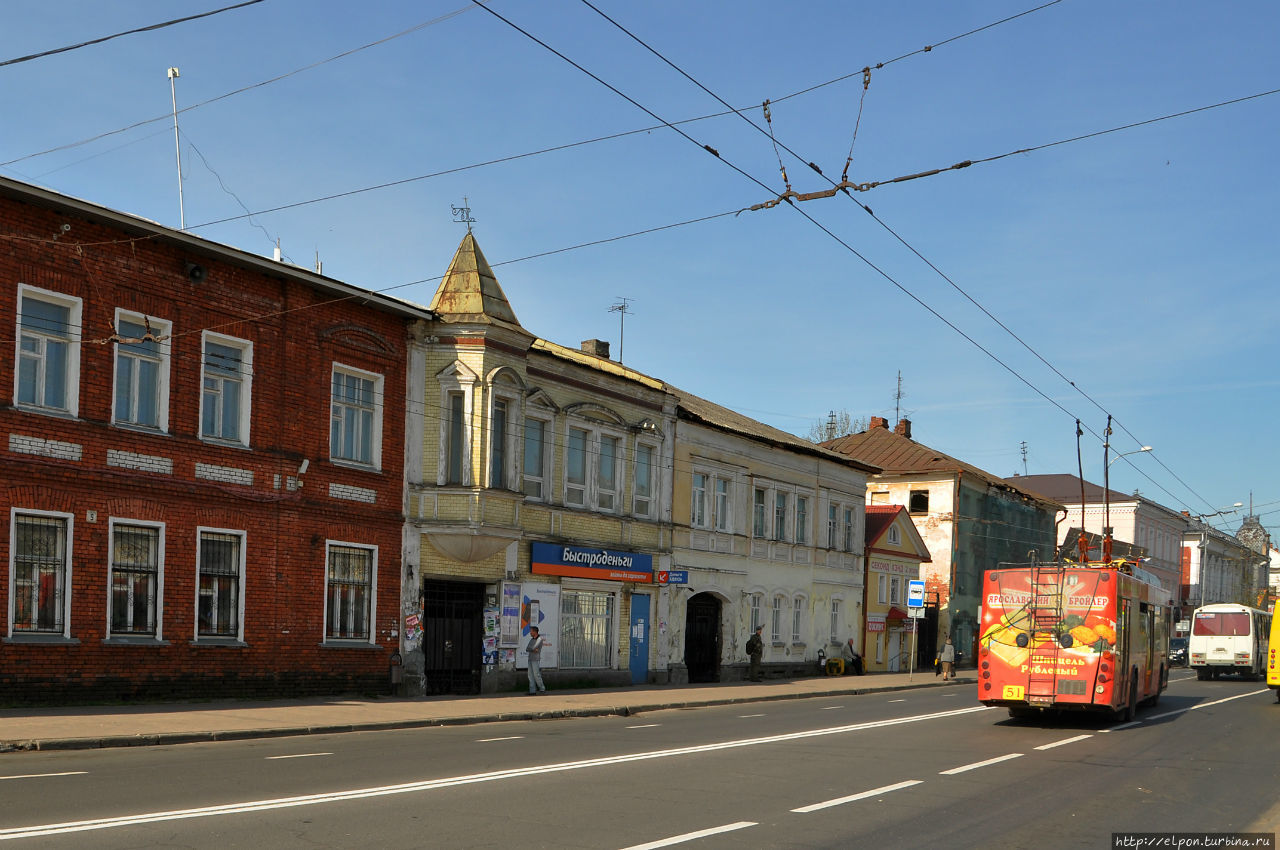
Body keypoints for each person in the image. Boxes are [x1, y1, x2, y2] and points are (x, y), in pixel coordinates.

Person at [526, 626, 550, 694]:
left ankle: (542, 688)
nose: (530, 633)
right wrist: (532, 649)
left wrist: (532, 649)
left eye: (531, 631)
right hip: (530, 659)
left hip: (535, 659)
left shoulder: (539, 639)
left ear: (535, 632)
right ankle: (532, 691)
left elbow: (534, 647)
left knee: (536, 674)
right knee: (530, 675)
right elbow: (527, 648)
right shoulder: (531, 639)